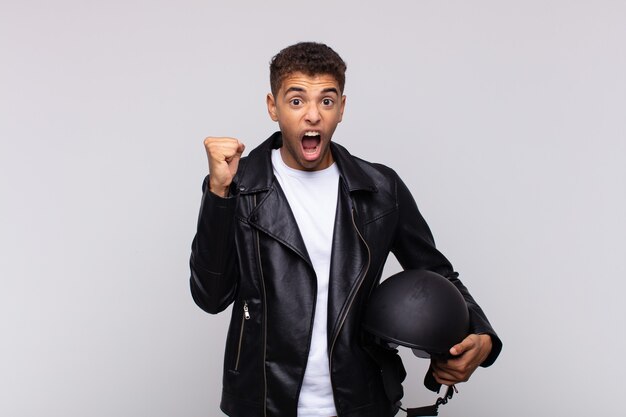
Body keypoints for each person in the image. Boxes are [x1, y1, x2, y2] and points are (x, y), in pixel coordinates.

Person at [189, 42, 502, 417]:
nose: (312, 116)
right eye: (296, 101)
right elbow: (210, 296)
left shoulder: (381, 189)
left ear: (341, 109)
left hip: (362, 400)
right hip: (262, 402)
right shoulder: (238, 187)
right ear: (273, 107)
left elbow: (437, 273)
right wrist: (218, 192)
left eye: (326, 101)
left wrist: (482, 335)